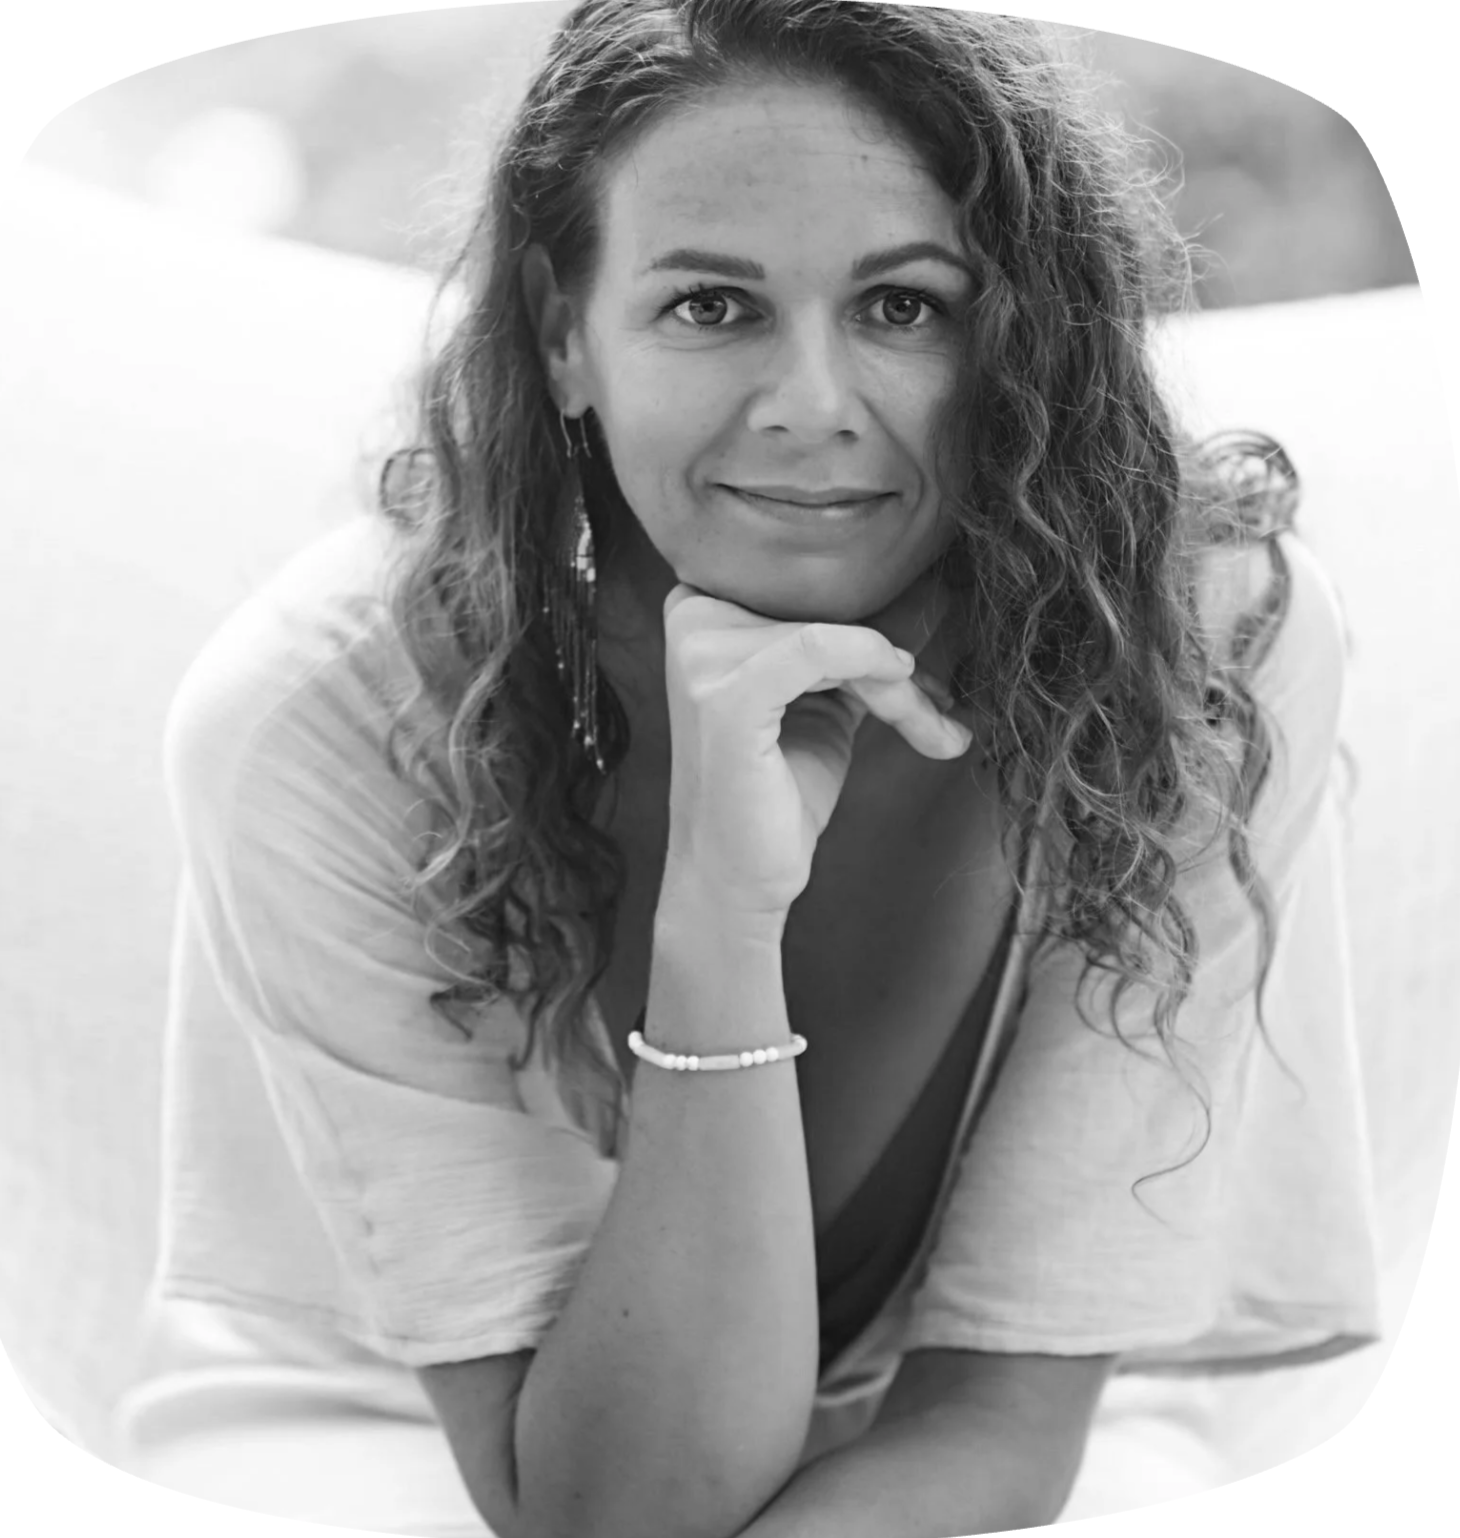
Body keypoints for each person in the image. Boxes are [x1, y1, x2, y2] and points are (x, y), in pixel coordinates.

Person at [111, 2, 1381, 1534]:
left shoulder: (1192, 638)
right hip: (399, 1427)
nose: (811, 406)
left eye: (906, 307)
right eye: (711, 307)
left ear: (1024, 325)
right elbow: (612, 1507)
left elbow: (1003, 1417)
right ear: (564, 331)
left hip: (1000, 1450)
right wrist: (723, 919)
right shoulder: (324, 719)